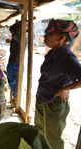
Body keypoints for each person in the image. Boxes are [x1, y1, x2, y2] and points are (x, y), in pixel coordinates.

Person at [34, 19, 81, 149]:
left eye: (49, 33)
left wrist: (66, 88)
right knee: (40, 132)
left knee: (52, 139)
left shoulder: (66, 56)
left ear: (61, 37)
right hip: (43, 97)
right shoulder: (54, 52)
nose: (45, 36)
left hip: (54, 102)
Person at [5, 21, 21, 104]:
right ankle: (15, 97)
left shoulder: (19, 38)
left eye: (13, 32)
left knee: (13, 81)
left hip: (15, 63)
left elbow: (18, 42)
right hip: (14, 62)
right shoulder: (17, 39)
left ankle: (16, 98)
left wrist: (12, 38)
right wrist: (11, 41)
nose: (12, 34)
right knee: (12, 80)